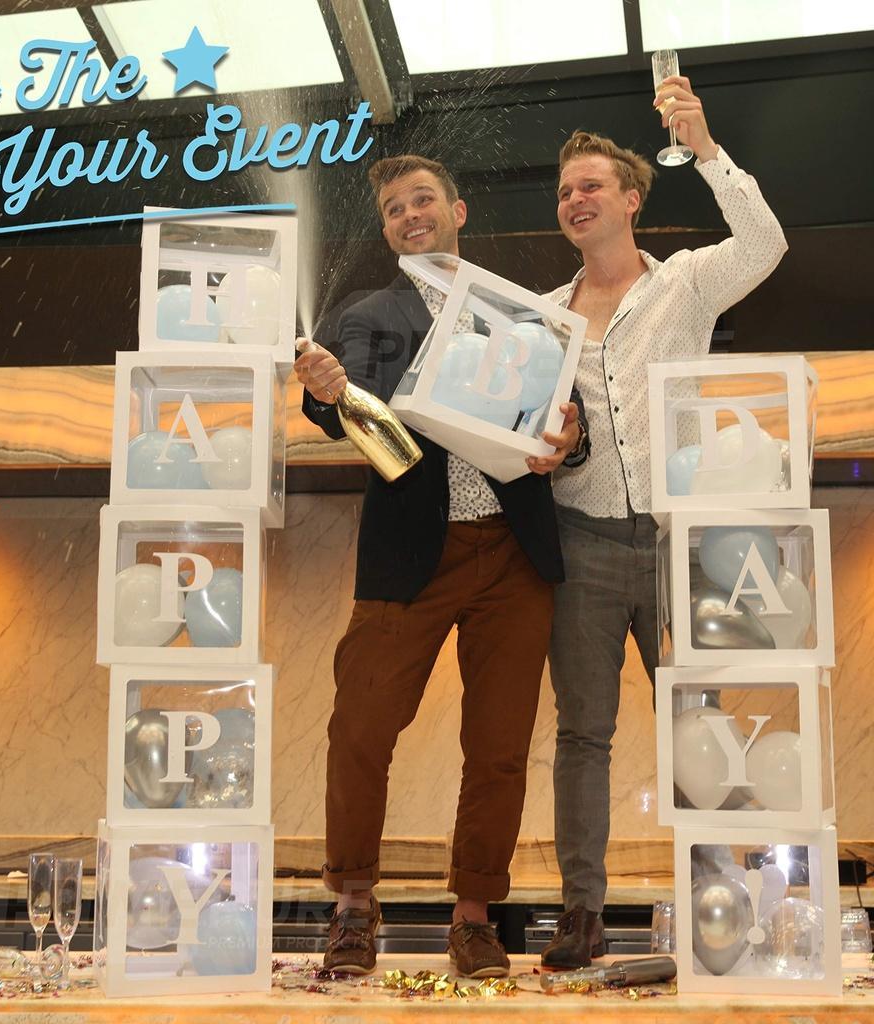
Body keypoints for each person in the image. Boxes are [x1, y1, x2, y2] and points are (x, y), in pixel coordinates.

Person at [294, 154, 586, 978]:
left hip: (514, 555)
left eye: (423, 200)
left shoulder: (525, 313)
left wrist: (570, 439)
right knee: (359, 730)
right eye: (394, 208)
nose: (410, 215)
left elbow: (570, 422)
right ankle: (353, 907)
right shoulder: (366, 313)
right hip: (408, 555)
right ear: (387, 230)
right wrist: (326, 390)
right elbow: (341, 403)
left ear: (457, 211)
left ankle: (476, 919)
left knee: (499, 747)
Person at [539, 75, 788, 968]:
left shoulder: (685, 283)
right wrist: (550, 447)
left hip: (682, 543)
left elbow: (765, 243)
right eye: (565, 191)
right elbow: (536, 435)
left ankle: (720, 894)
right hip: (581, 543)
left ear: (631, 199)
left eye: (591, 185)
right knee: (582, 735)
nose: (575, 199)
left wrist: (708, 150)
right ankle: (580, 913)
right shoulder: (543, 317)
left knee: (699, 721)